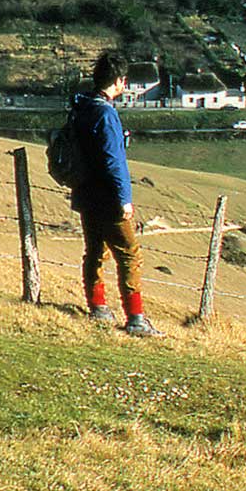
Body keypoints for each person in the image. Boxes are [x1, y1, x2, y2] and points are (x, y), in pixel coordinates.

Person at [70, 53, 157, 337]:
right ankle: (136, 318)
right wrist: (124, 198)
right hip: (107, 197)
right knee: (129, 255)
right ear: (119, 81)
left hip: (84, 193)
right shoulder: (107, 114)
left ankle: (98, 308)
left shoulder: (81, 107)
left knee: (95, 252)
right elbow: (113, 161)